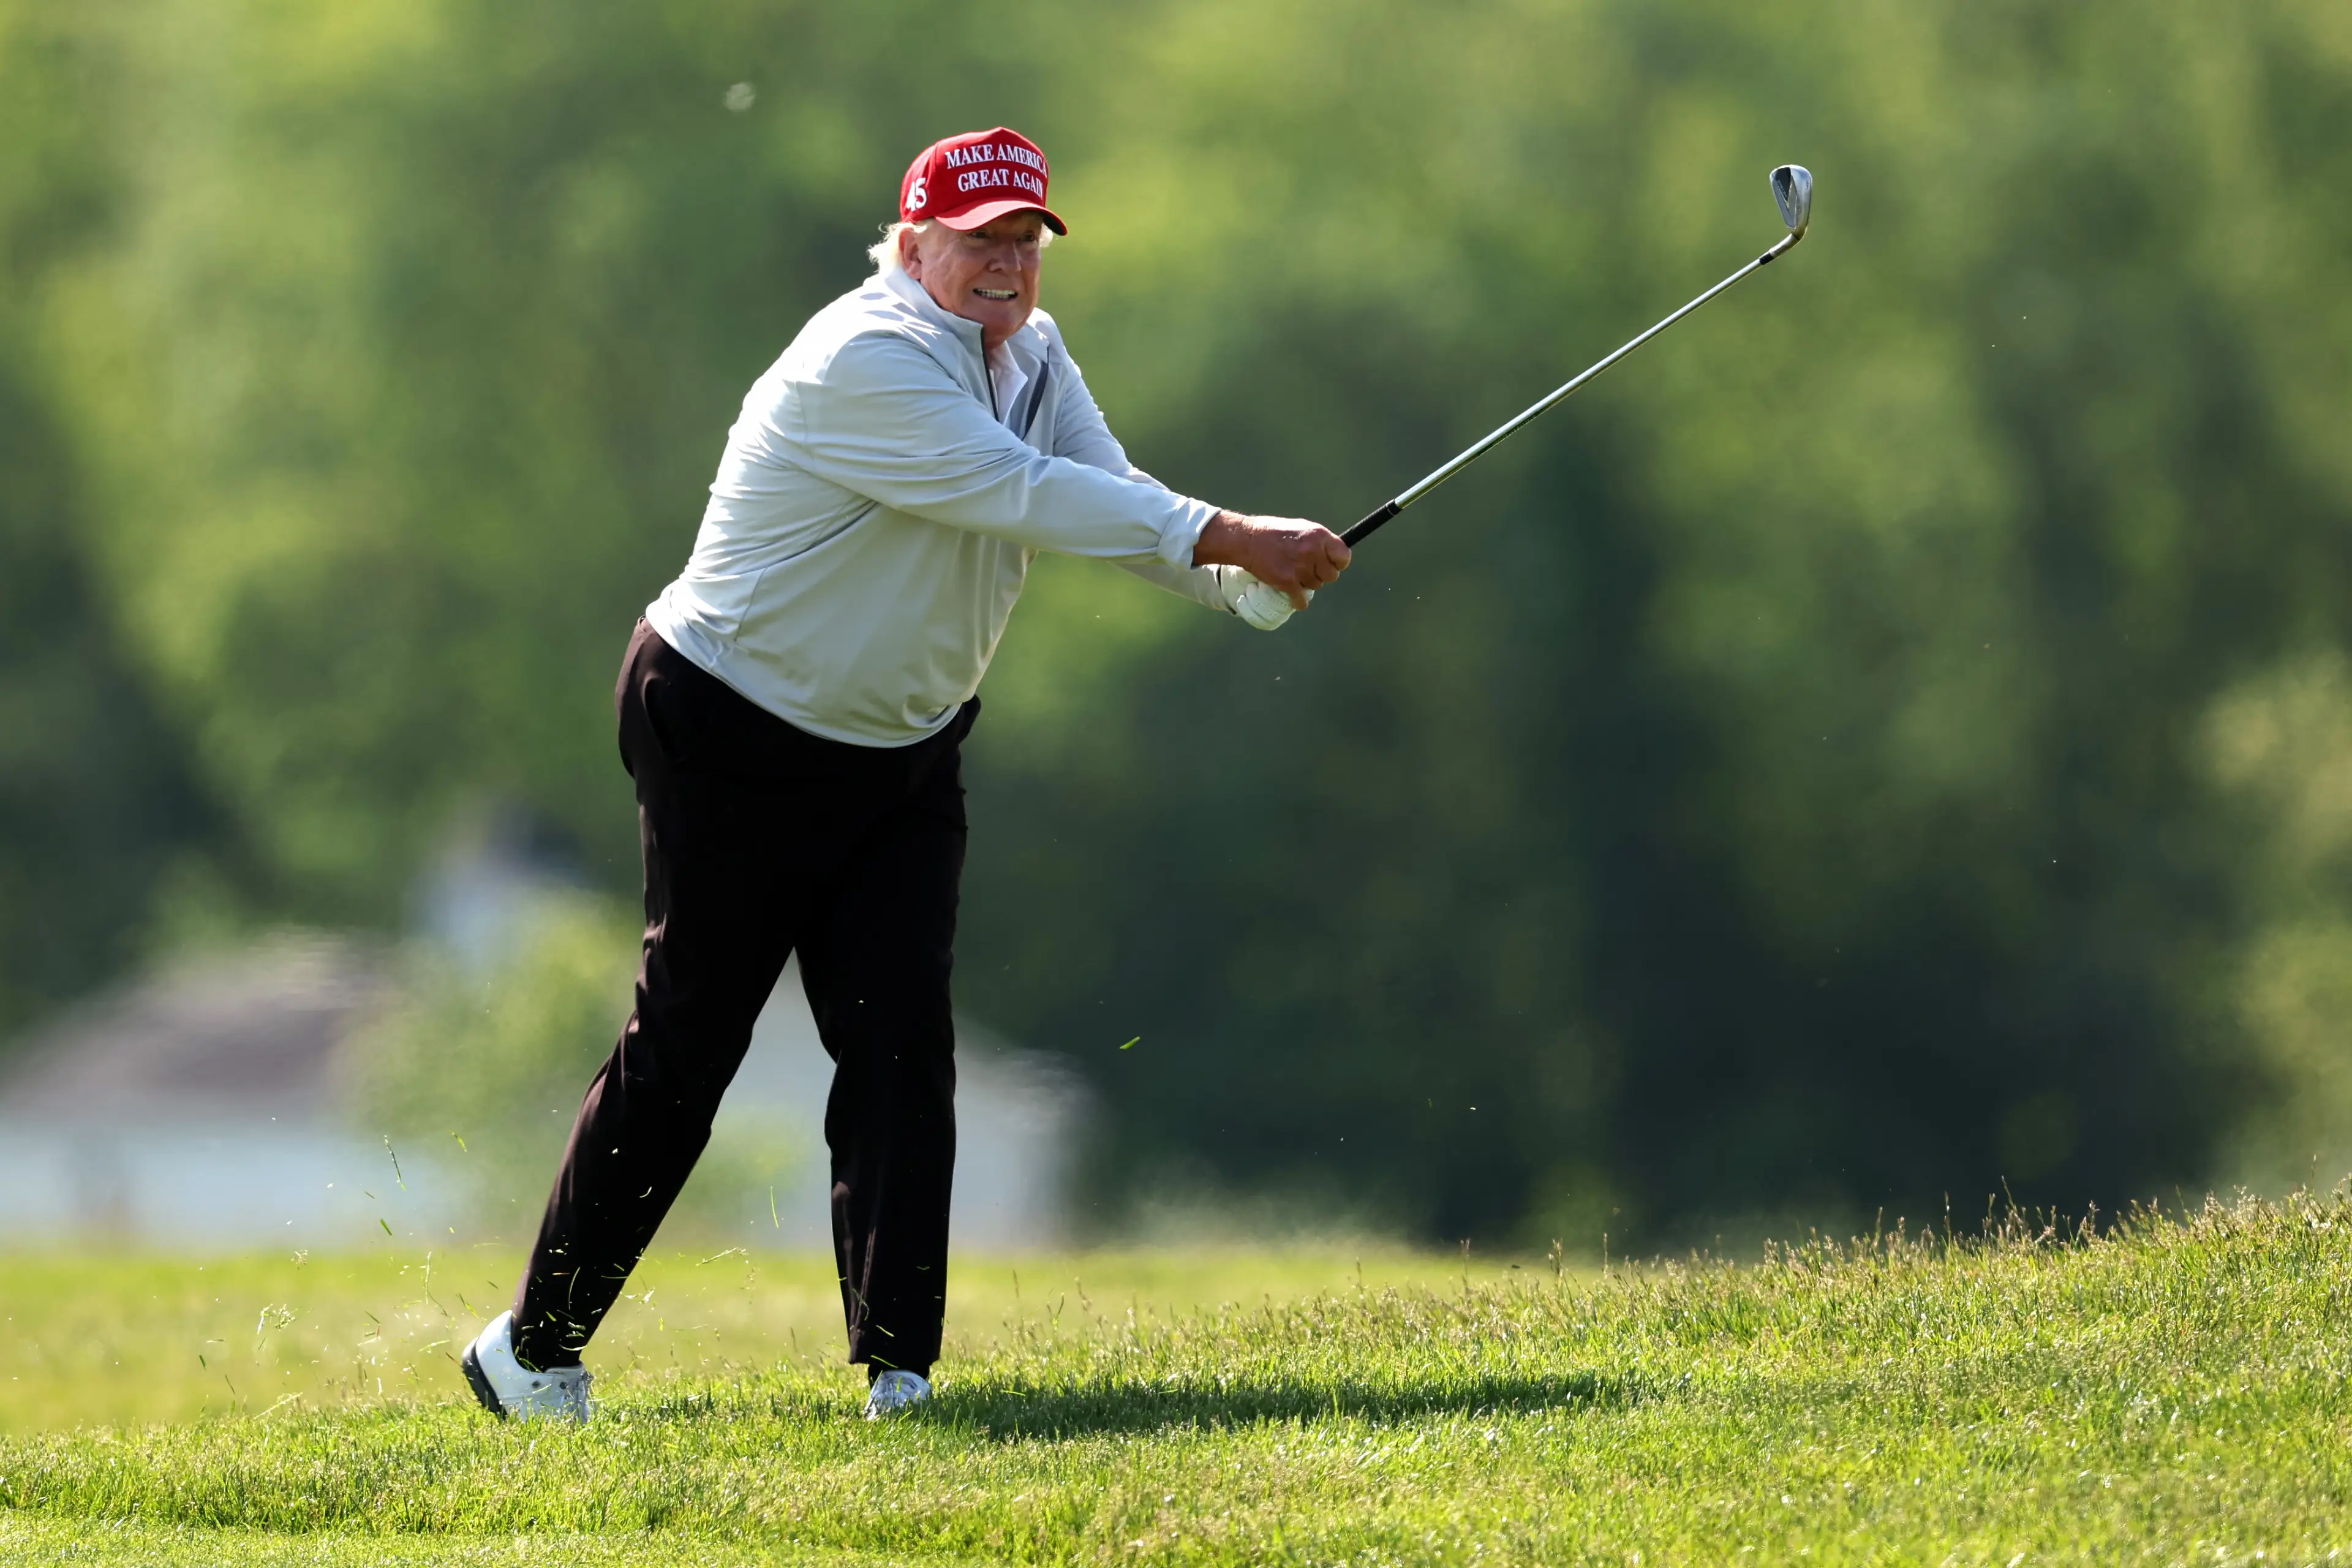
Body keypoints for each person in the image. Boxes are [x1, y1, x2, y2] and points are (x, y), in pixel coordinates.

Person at [461, 127, 1350, 1422]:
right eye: (981, 239)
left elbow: (1108, 491)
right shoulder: (864, 361)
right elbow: (1020, 493)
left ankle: (901, 1373)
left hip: (900, 747)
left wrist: (1231, 581)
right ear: (915, 239)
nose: (1006, 265)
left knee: (897, 1044)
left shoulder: (1029, 356)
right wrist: (1231, 536)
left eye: (1026, 242)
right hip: (731, 724)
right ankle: (531, 1350)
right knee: (690, 1046)